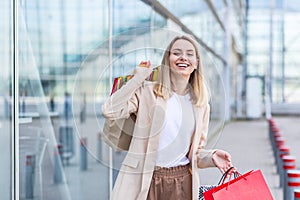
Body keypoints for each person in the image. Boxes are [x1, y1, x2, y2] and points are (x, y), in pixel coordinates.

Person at [102, 35, 233, 200]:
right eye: (176, 53)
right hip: (146, 178)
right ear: (168, 60)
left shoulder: (200, 105)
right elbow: (110, 110)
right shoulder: (148, 92)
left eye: (189, 54)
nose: (183, 57)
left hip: (183, 181)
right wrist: (137, 79)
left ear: (196, 63)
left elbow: (195, 153)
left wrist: (211, 157)